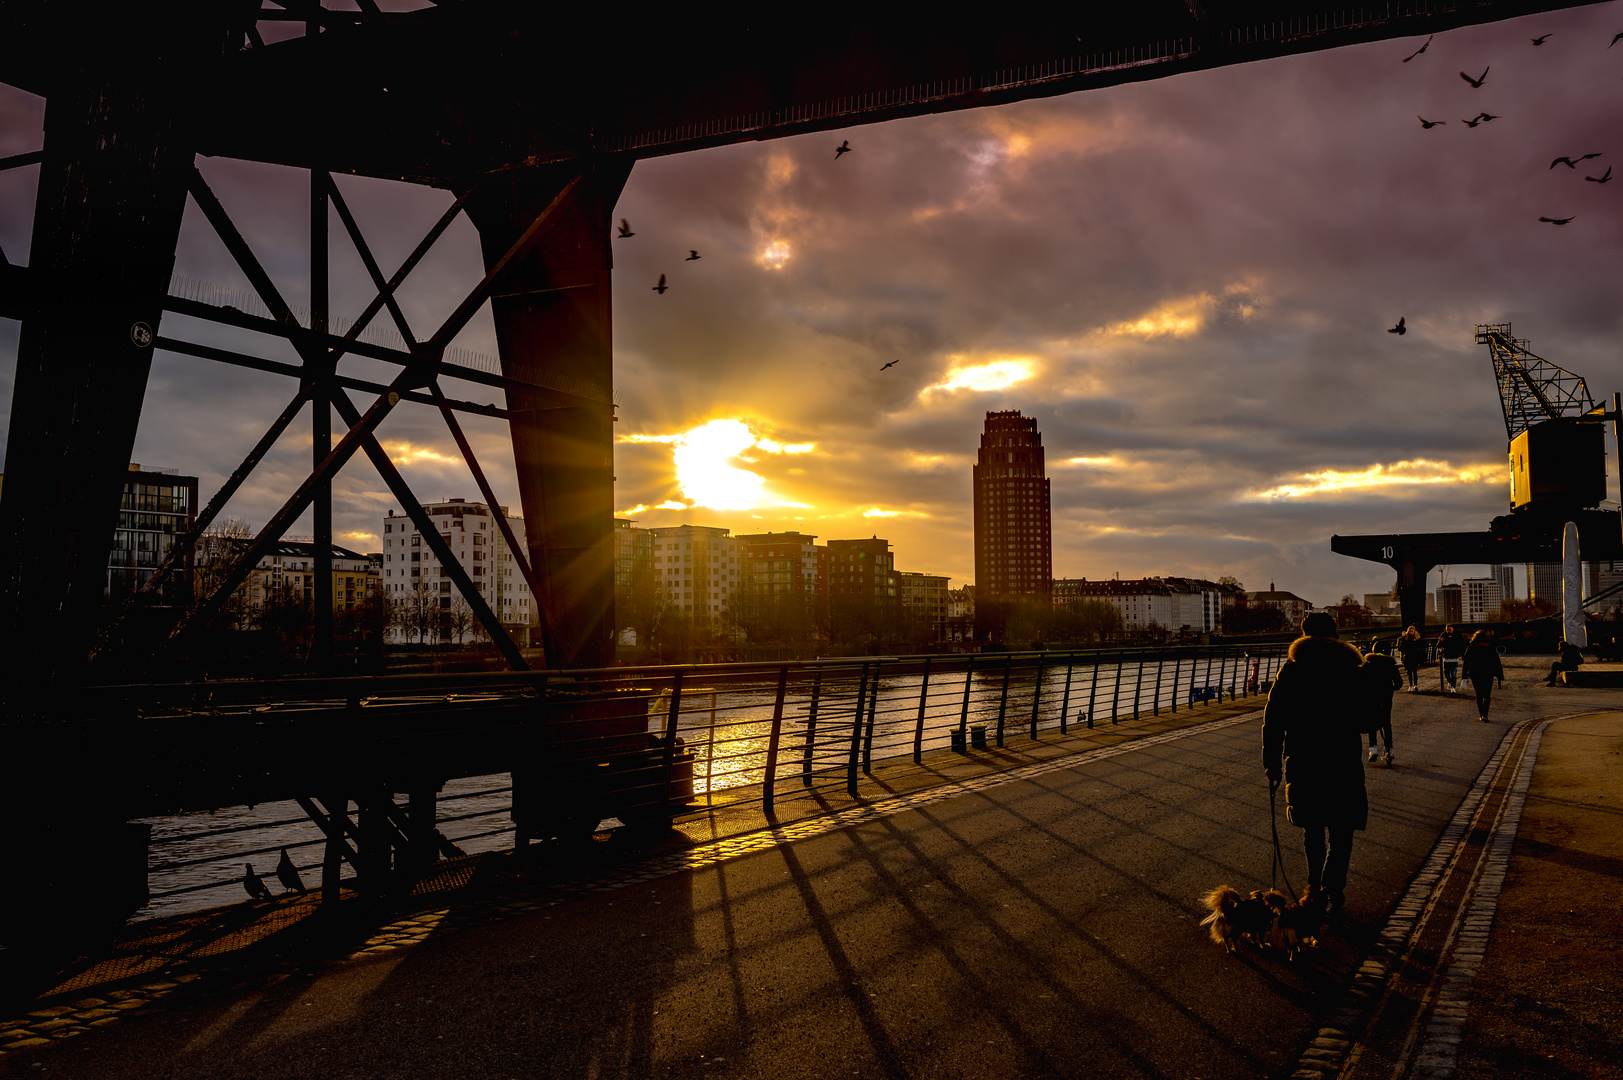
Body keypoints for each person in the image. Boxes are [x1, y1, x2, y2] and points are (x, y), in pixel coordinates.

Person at [1262, 612, 1369, 913]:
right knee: (1341, 830)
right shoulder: (1353, 668)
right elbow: (1366, 719)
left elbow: (1273, 719)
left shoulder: (1292, 670)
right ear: (1335, 633)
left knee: (1313, 830)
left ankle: (1313, 888)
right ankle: (1332, 888)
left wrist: (1271, 760)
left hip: (1304, 758)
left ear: (1304, 634)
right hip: (1342, 759)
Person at [1362, 639, 1402, 762]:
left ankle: (1373, 749)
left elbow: (1362, 681)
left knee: (1372, 721)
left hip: (1371, 696)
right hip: (1386, 696)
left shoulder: (1368, 664)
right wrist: (1392, 688)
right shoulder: (1391, 664)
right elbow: (1399, 683)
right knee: (1386, 722)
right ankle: (1388, 749)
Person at [1463, 630, 1505, 722]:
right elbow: (1496, 662)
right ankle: (1485, 715)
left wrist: (1464, 676)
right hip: (1488, 673)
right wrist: (1499, 675)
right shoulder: (1490, 647)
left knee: (1479, 695)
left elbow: (1466, 662)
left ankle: (1481, 714)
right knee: (1487, 695)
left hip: (1476, 673)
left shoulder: (1471, 647)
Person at [1438, 625, 1466, 694]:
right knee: (1446, 673)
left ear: (1453, 629)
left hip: (1454, 657)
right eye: (1447, 629)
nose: (1448, 631)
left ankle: (1453, 687)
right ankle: (1450, 682)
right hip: (1446, 657)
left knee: (1453, 673)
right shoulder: (1443, 635)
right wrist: (1441, 641)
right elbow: (1438, 645)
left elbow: (1461, 646)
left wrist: (1463, 656)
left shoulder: (1457, 635)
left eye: (1450, 629)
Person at [1398, 626, 1426, 692]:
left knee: (1415, 672)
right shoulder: (1405, 639)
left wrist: (1420, 657)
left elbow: (1421, 648)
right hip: (1408, 657)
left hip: (1415, 657)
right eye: (1410, 631)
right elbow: (1401, 648)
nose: (1411, 632)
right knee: (1410, 672)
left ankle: (1415, 685)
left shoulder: (1417, 639)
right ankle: (1410, 685)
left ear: (1414, 632)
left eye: (1412, 631)